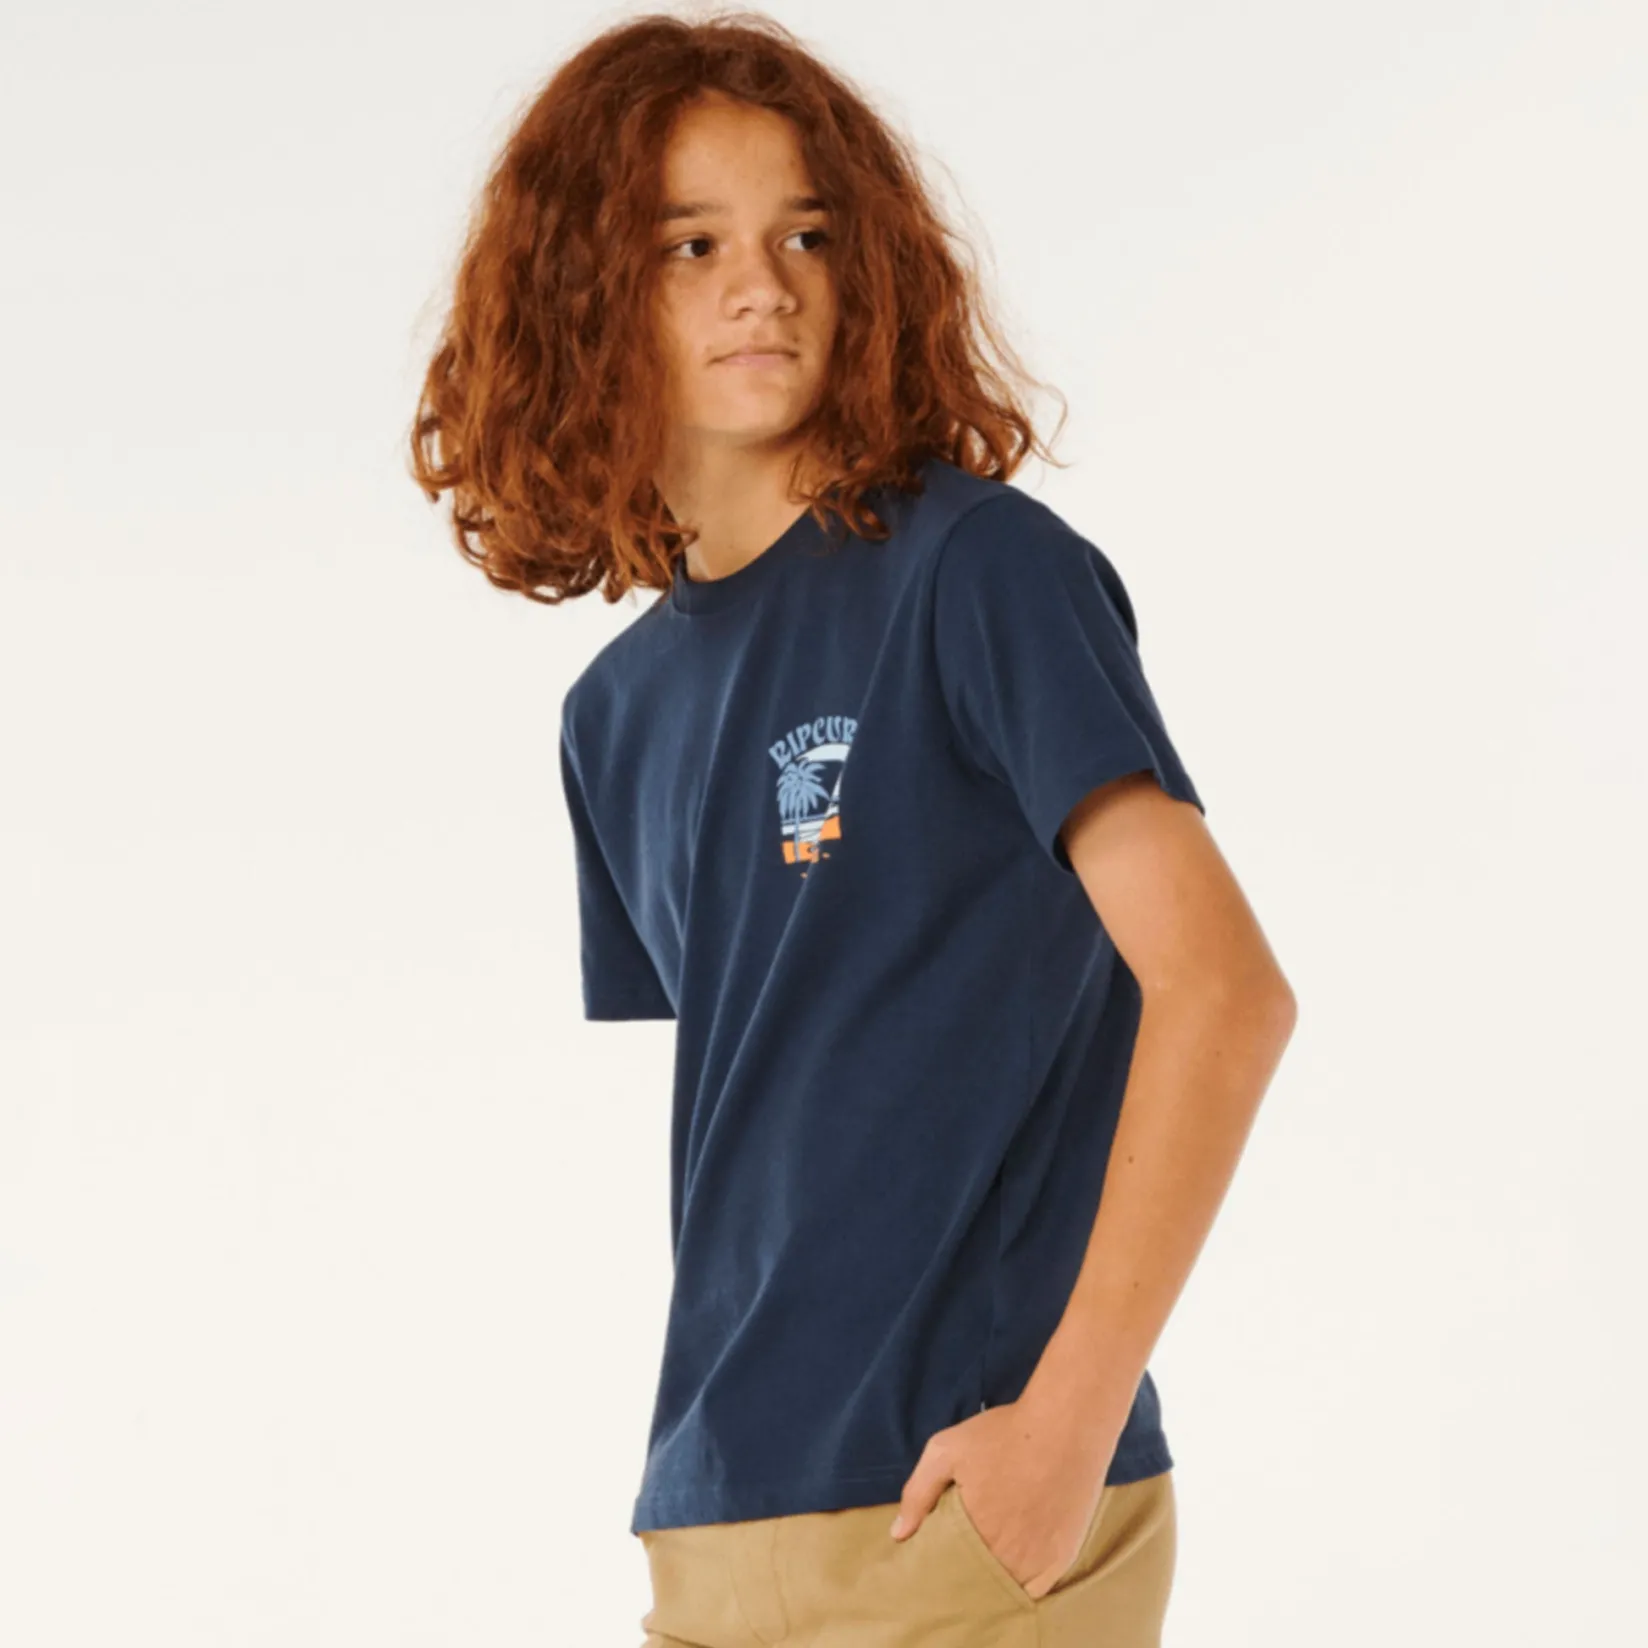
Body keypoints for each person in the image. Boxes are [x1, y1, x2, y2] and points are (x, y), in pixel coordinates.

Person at [408, 11, 1296, 1645]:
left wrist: (1066, 1428)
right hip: (713, 1515)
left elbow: (1227, 991)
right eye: (690, 246)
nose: (764, 286)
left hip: (965, 1507)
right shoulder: (614, 715)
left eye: (806, 234)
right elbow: (796, 1126)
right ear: (584, 296)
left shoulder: (977, 575)